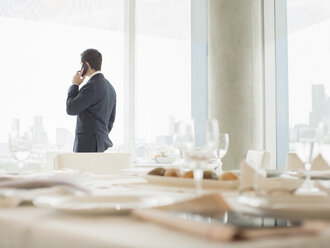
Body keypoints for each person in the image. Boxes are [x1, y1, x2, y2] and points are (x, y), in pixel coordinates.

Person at [66, 49, 116, 152]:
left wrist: (75, 85)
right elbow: (110, 120)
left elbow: (71, 109)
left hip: (87, 146)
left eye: (81, 65)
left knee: (83, 169)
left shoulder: (92, 86)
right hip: (101, 144)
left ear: (86, 64)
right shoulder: (110, 88)